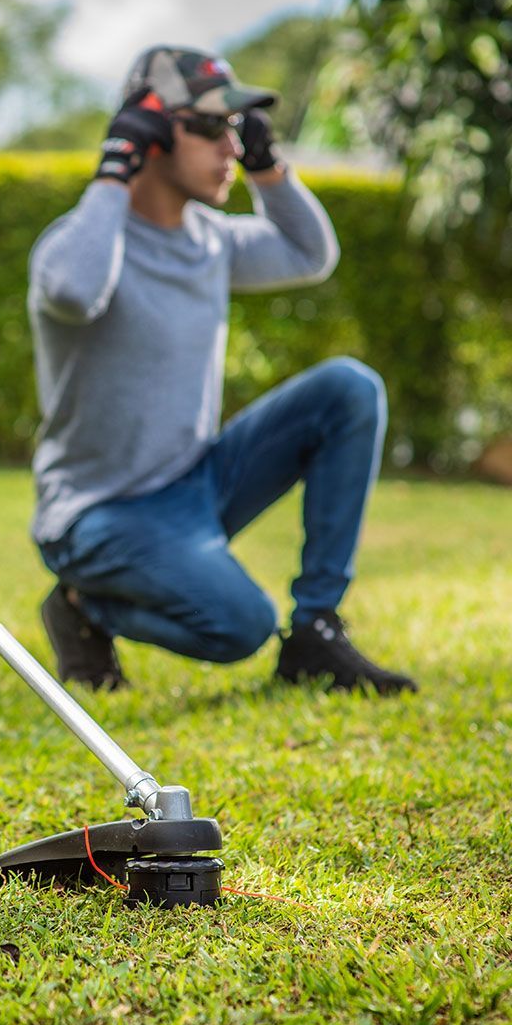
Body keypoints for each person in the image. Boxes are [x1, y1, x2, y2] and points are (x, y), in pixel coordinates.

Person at [29, 45, 416, 695]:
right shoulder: (82, 244)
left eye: (238, 131)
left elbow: (310, 253)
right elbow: (72, 290)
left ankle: (317, 631)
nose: (231, 148)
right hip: (100, 514)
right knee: (240, 626)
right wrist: (114, 169)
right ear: (148, 136)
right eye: (211, 128)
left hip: (197, 481)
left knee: (349, 389)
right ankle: (80, 607)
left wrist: (268, 166)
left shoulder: (213, 241)